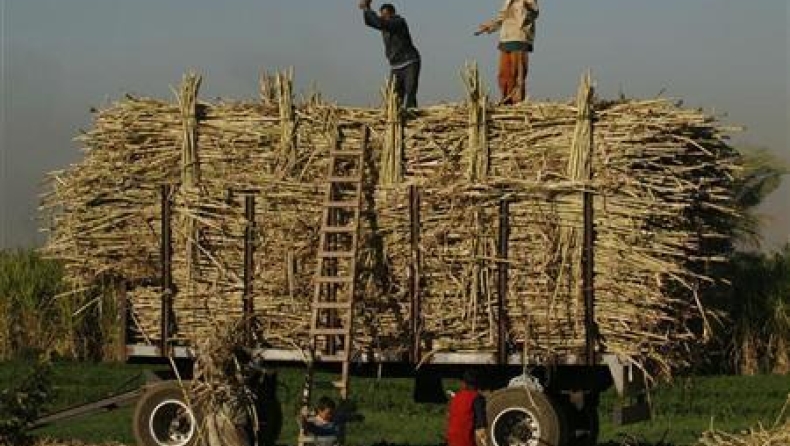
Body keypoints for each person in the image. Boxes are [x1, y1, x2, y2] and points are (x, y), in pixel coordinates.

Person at [359, 0, 421, 110]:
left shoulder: (398, 22)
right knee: (393, 96)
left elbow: (379, 23)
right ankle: (399, 115)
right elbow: (371, 22)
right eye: (382, 15)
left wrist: (367, 9)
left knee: (410, 91)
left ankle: (411, 113)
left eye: (386, 15)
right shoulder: (384, 25)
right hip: (396, 66)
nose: (384, 17)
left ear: (392, 14)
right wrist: (366, 9)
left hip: (409, 62)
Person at [477, 0, 540, 104]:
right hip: (506, 37)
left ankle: (517, 101)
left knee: (517, 73)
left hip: (520, 37)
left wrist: (523, 11)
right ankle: (506, 99)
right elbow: (502, 17)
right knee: (504, 73)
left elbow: (534, 12)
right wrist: (489, 26)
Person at [446, 370, 488, 446]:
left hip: (451, 438)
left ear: (463, 383)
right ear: (478, 384)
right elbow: (480, 420)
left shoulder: (456, 397)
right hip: (465, 439)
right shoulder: (476, 397)